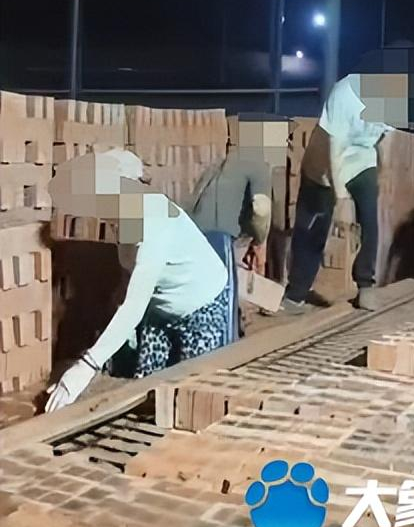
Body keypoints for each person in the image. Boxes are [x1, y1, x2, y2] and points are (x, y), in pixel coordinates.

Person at [45, 149, 231, 412]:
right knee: (148, 393)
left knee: (193, 397)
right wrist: (118, 314)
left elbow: (135, 303)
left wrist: (86, 366)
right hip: (160, 309)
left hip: (201, 304)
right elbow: (130, 271)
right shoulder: (124, 217)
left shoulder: (154, 219)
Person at [282, 45, 414, 312]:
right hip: (324, 166)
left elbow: (383, 138)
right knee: (313, 230)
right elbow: (334, 149)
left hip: (361, 159)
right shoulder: (346, 94)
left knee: (370, 221)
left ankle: (365, 285)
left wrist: (380, 169)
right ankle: (295, 293)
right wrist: (341, 197)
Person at [186, 142, 272, 335]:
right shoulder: (259, 166)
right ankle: (229, 333)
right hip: (223, 233)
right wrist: (260, 241)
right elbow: (261, 208)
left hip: (194, 231)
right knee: (227, 286)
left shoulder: (217, 164)